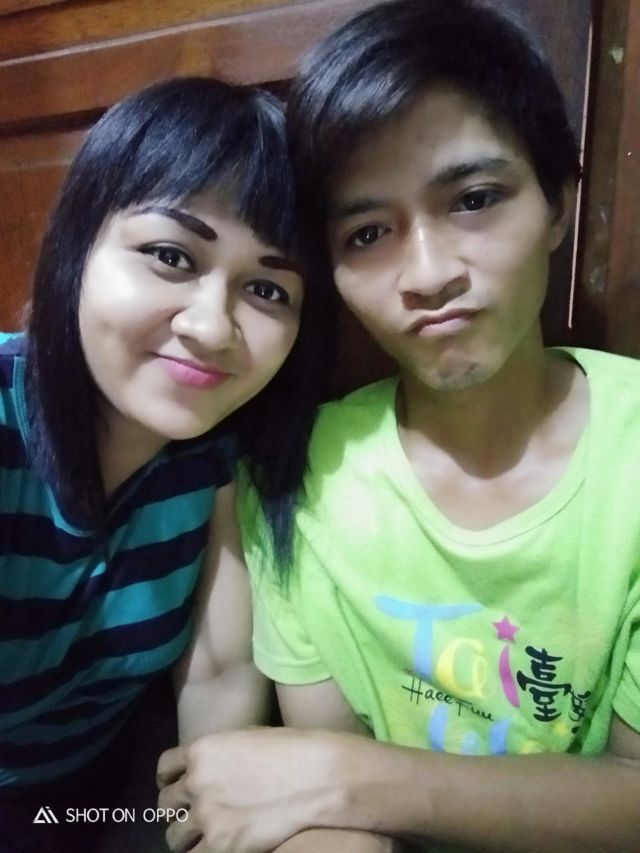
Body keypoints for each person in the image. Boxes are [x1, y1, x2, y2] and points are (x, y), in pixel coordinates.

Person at [157, 1, 640, 851]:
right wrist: (332, 785)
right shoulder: (302, 472)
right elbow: (322, 815)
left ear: (560, 204)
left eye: (475, 199)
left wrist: (350, 775)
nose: (427, 274)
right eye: (368, 232)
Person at [0, 75, 334, 852]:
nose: (213, 327)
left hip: (98, 797)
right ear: (78, 245)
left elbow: (219, 678)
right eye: (170, 255)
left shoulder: (219, 460)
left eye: (266, 288)